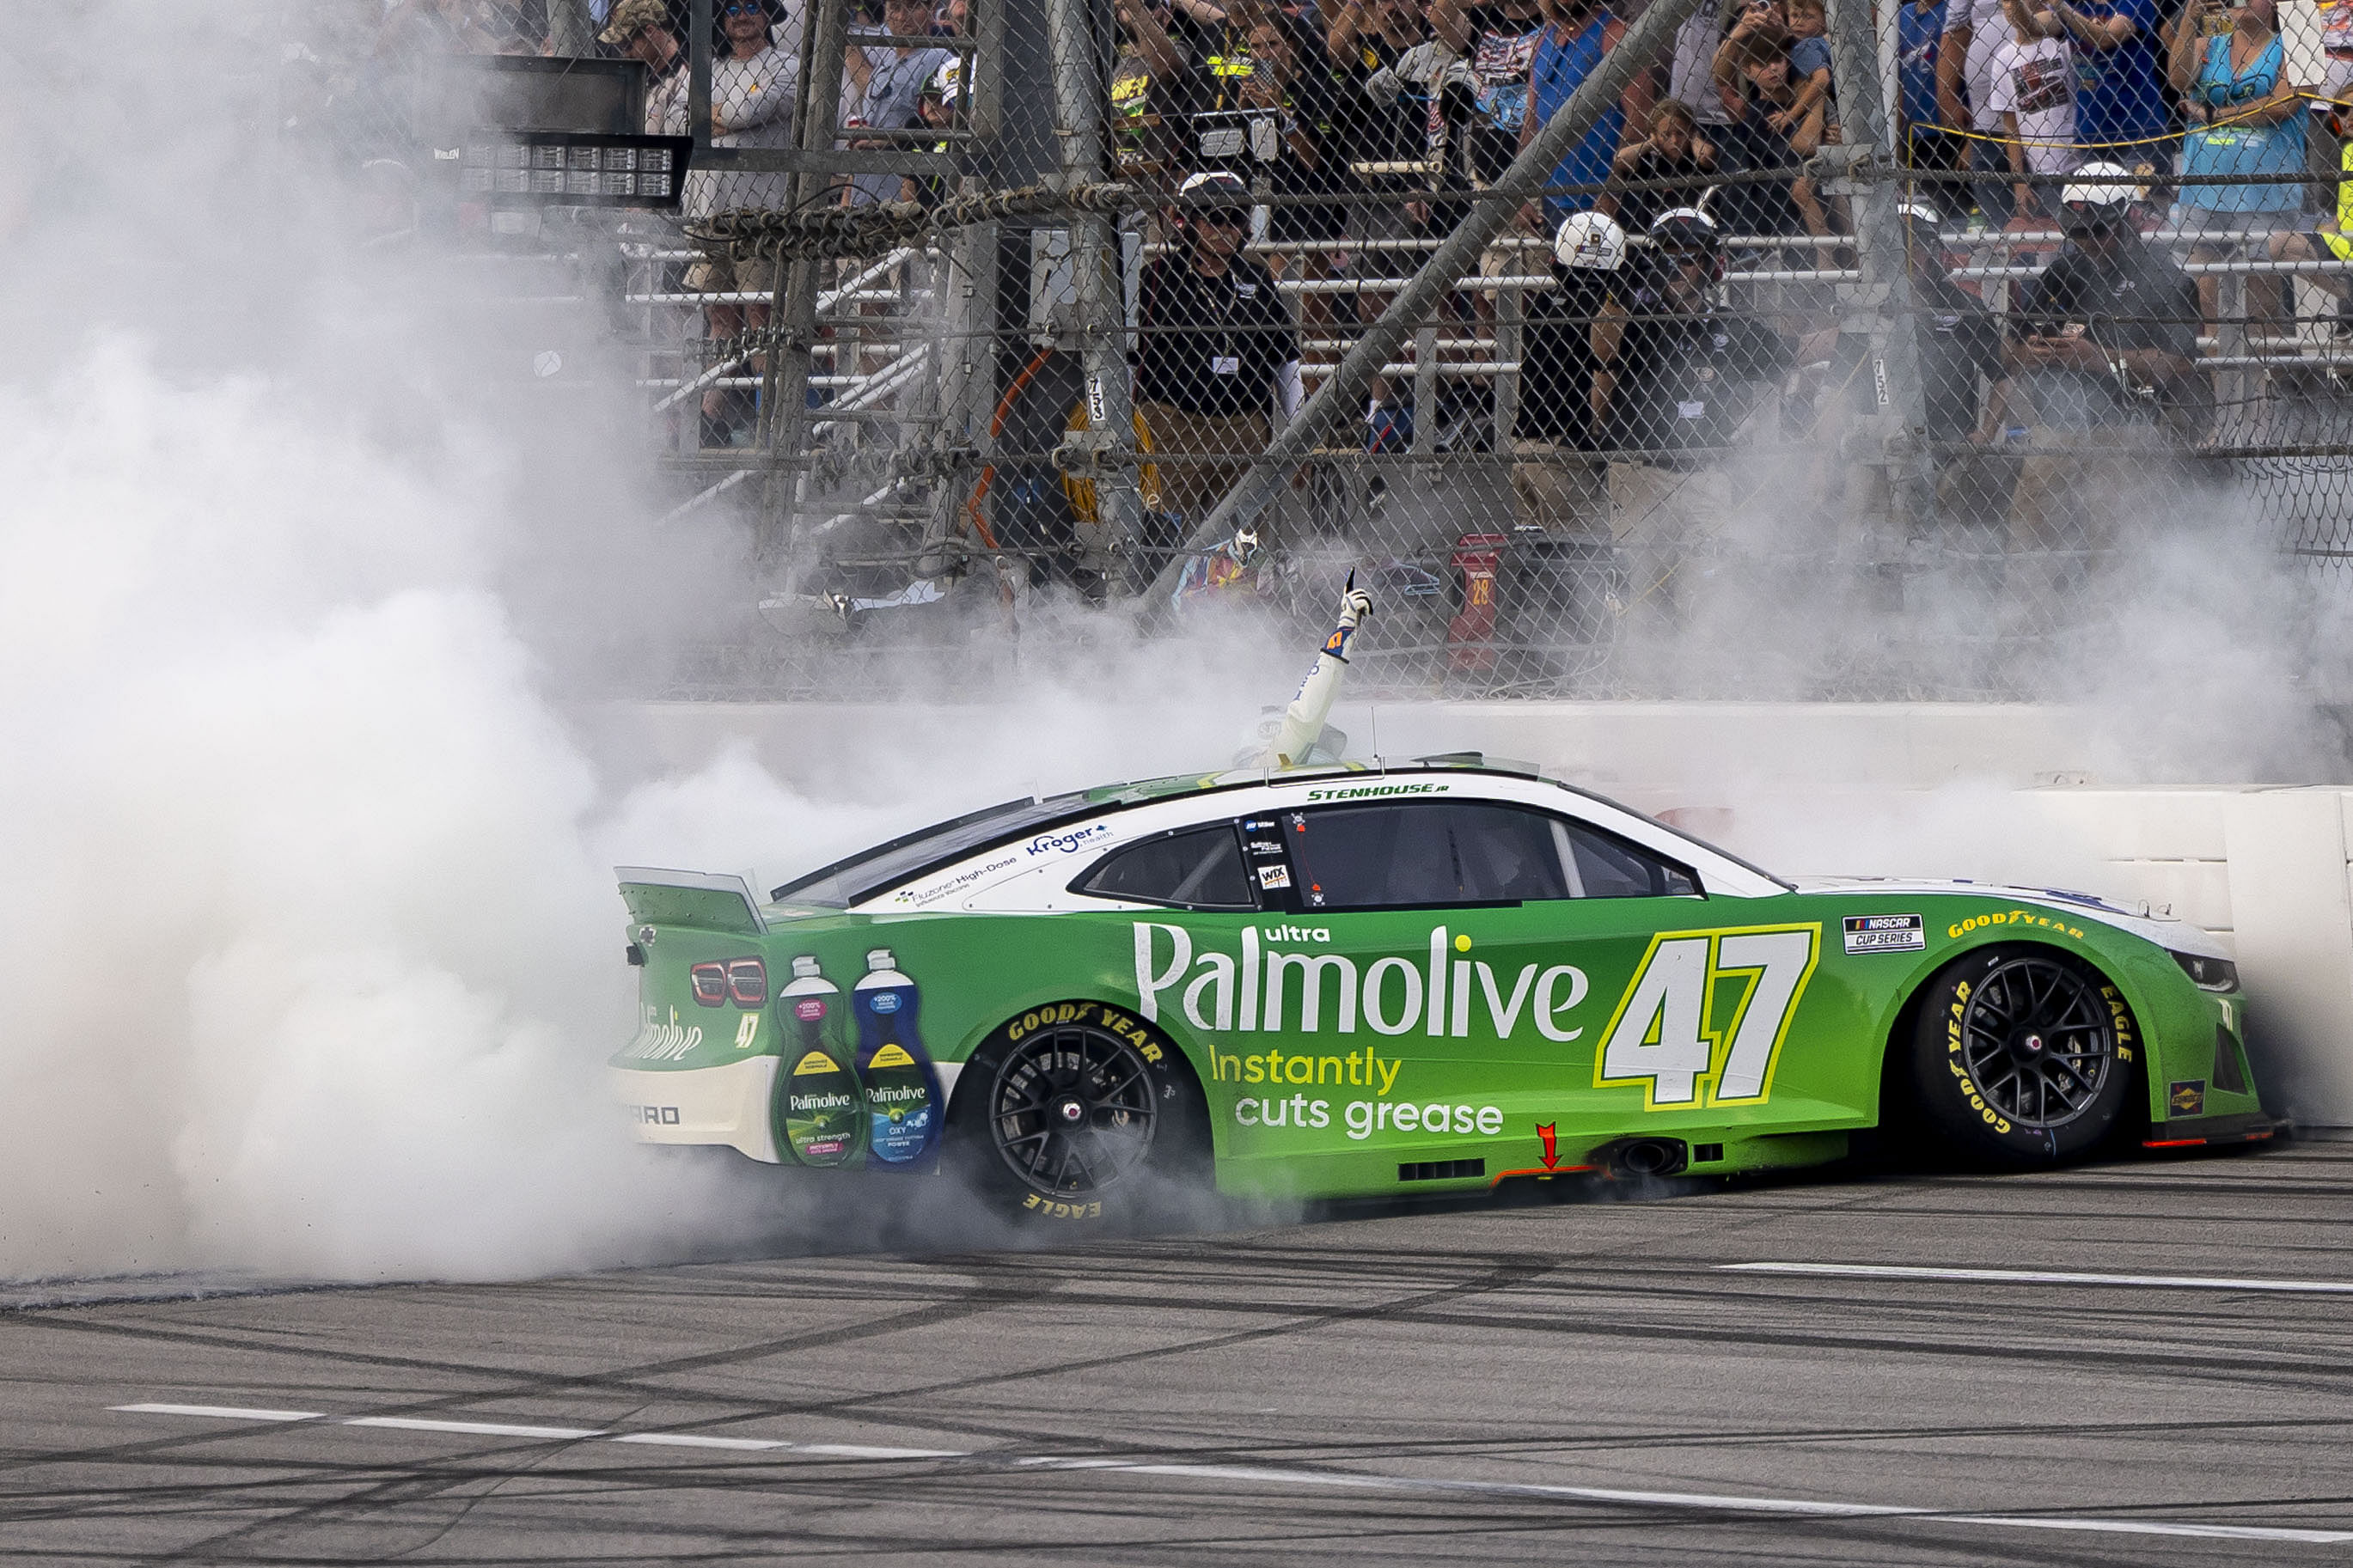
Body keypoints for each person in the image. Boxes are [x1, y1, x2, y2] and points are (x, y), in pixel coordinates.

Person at [2002, 163, 2202, 621]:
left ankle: (2111, 632)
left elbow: (2181, 364)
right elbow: (2011, 353)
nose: (2088, 243)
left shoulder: (2162, 276)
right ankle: (2024, 629)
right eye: (2078, 234)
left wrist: (2100, 359)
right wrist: (2040, 352)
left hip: (2132, 420)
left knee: (2114, 522)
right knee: (2035, 511)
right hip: (2060, 422)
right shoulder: (2062, 272)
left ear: (2127, 217)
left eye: (2097, 231)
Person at [1601, 209, 1796, 623]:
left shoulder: (1729, 327)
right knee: (1638, 595)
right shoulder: (1633, 320)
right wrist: (1623, 286)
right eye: (1665, 257)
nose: (1675, 267)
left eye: (1687, 257)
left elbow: (1792, 352)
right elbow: (1602, 351)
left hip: (1706, 473)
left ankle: (1704, 672)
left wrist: (1855, 331)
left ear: (1710, 265)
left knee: (1709, 593)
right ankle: (1635, 674)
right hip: (1641, 470)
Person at [1133, 171, 1307, 526]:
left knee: (1237, 539)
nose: (1224, 228)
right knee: (1163, 528)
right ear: (1189, 222)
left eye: (1235, 219)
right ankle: (1161, 581)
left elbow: (1286, 363)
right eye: (1213, 218)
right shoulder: (1158, 277)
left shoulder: (1256, 279)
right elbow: (1129, 356)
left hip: (1243, 426)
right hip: (1173, 426)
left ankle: (1233, 582)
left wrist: (1298, 434)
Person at [682, 0, 801, 445]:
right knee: (719, 316)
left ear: (768, 14)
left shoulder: (787, 67)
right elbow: (679, 120)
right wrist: (715, 117)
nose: (742, 14)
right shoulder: (710, 68)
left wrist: (709, 116)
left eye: (753, 5)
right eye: (732, 7)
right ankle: (710, 422)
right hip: (709, 214)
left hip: (759, 217)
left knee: (760, 314)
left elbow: (741, 115)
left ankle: (768, 417)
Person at [2167, 0, 2307, 336]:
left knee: (2263, 306)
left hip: (2263, 191)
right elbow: (2178, 78)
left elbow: (2281, 105)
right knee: (2211, 304)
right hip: (2205, 189)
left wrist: (2215, 115)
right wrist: (2191, 16)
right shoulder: (2207, 46)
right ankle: (2221, 389)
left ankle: (2276, 386)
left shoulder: (2296, 45)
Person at [1513, 211, 1627, 535]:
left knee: (1532, 560)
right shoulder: (1604, 310)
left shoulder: (1545, 303)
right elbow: (1605, 364)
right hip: (1566, 454)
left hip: (1525, 445)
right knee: (1579, 558)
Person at [1525, 0, 1654, 228]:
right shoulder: (1545, 40)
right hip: (1554, 196)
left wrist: (1611, 191)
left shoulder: (1614, 34)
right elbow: (1530, 120)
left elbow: (1639, 117)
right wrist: (1520, 192)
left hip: (1605, 196)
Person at [842, 0, 956, 205]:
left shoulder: (939, 59)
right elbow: (861, 142)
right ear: (885, 13)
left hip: (903, 202)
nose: (903, 16)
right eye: (895, 8)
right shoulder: (885, 64)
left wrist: (891, 140)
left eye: (913, 7)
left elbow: (942, 127)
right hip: (863, 197)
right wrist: (847, 199)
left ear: (930, 10)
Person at [1986, 0, 2080, 221]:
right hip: (2043, 170)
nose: (2010, 8)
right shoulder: (2004, 60)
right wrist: (2020, 182)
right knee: (2055, 233)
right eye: (2006, 5)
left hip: (2077, 159)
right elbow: (2011, 125)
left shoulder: (2059, 44)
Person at [1939, 0, 2026, 228]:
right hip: (1984, 117)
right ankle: (2008, 257)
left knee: (2035, 202)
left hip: (2034, 111)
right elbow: (1954, 28)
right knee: (1993, 202)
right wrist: (1946, 95)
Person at [1602, 95, 1716, 236]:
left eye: (1680, 133)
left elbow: (1707, 156)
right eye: (1666, 135)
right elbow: (1620, 159)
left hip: (1692, 231)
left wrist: (1695, 138)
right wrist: (1651, 143)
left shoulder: (1695, 160)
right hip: (1653, 229)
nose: (1674, 140)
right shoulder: (1650, 162)